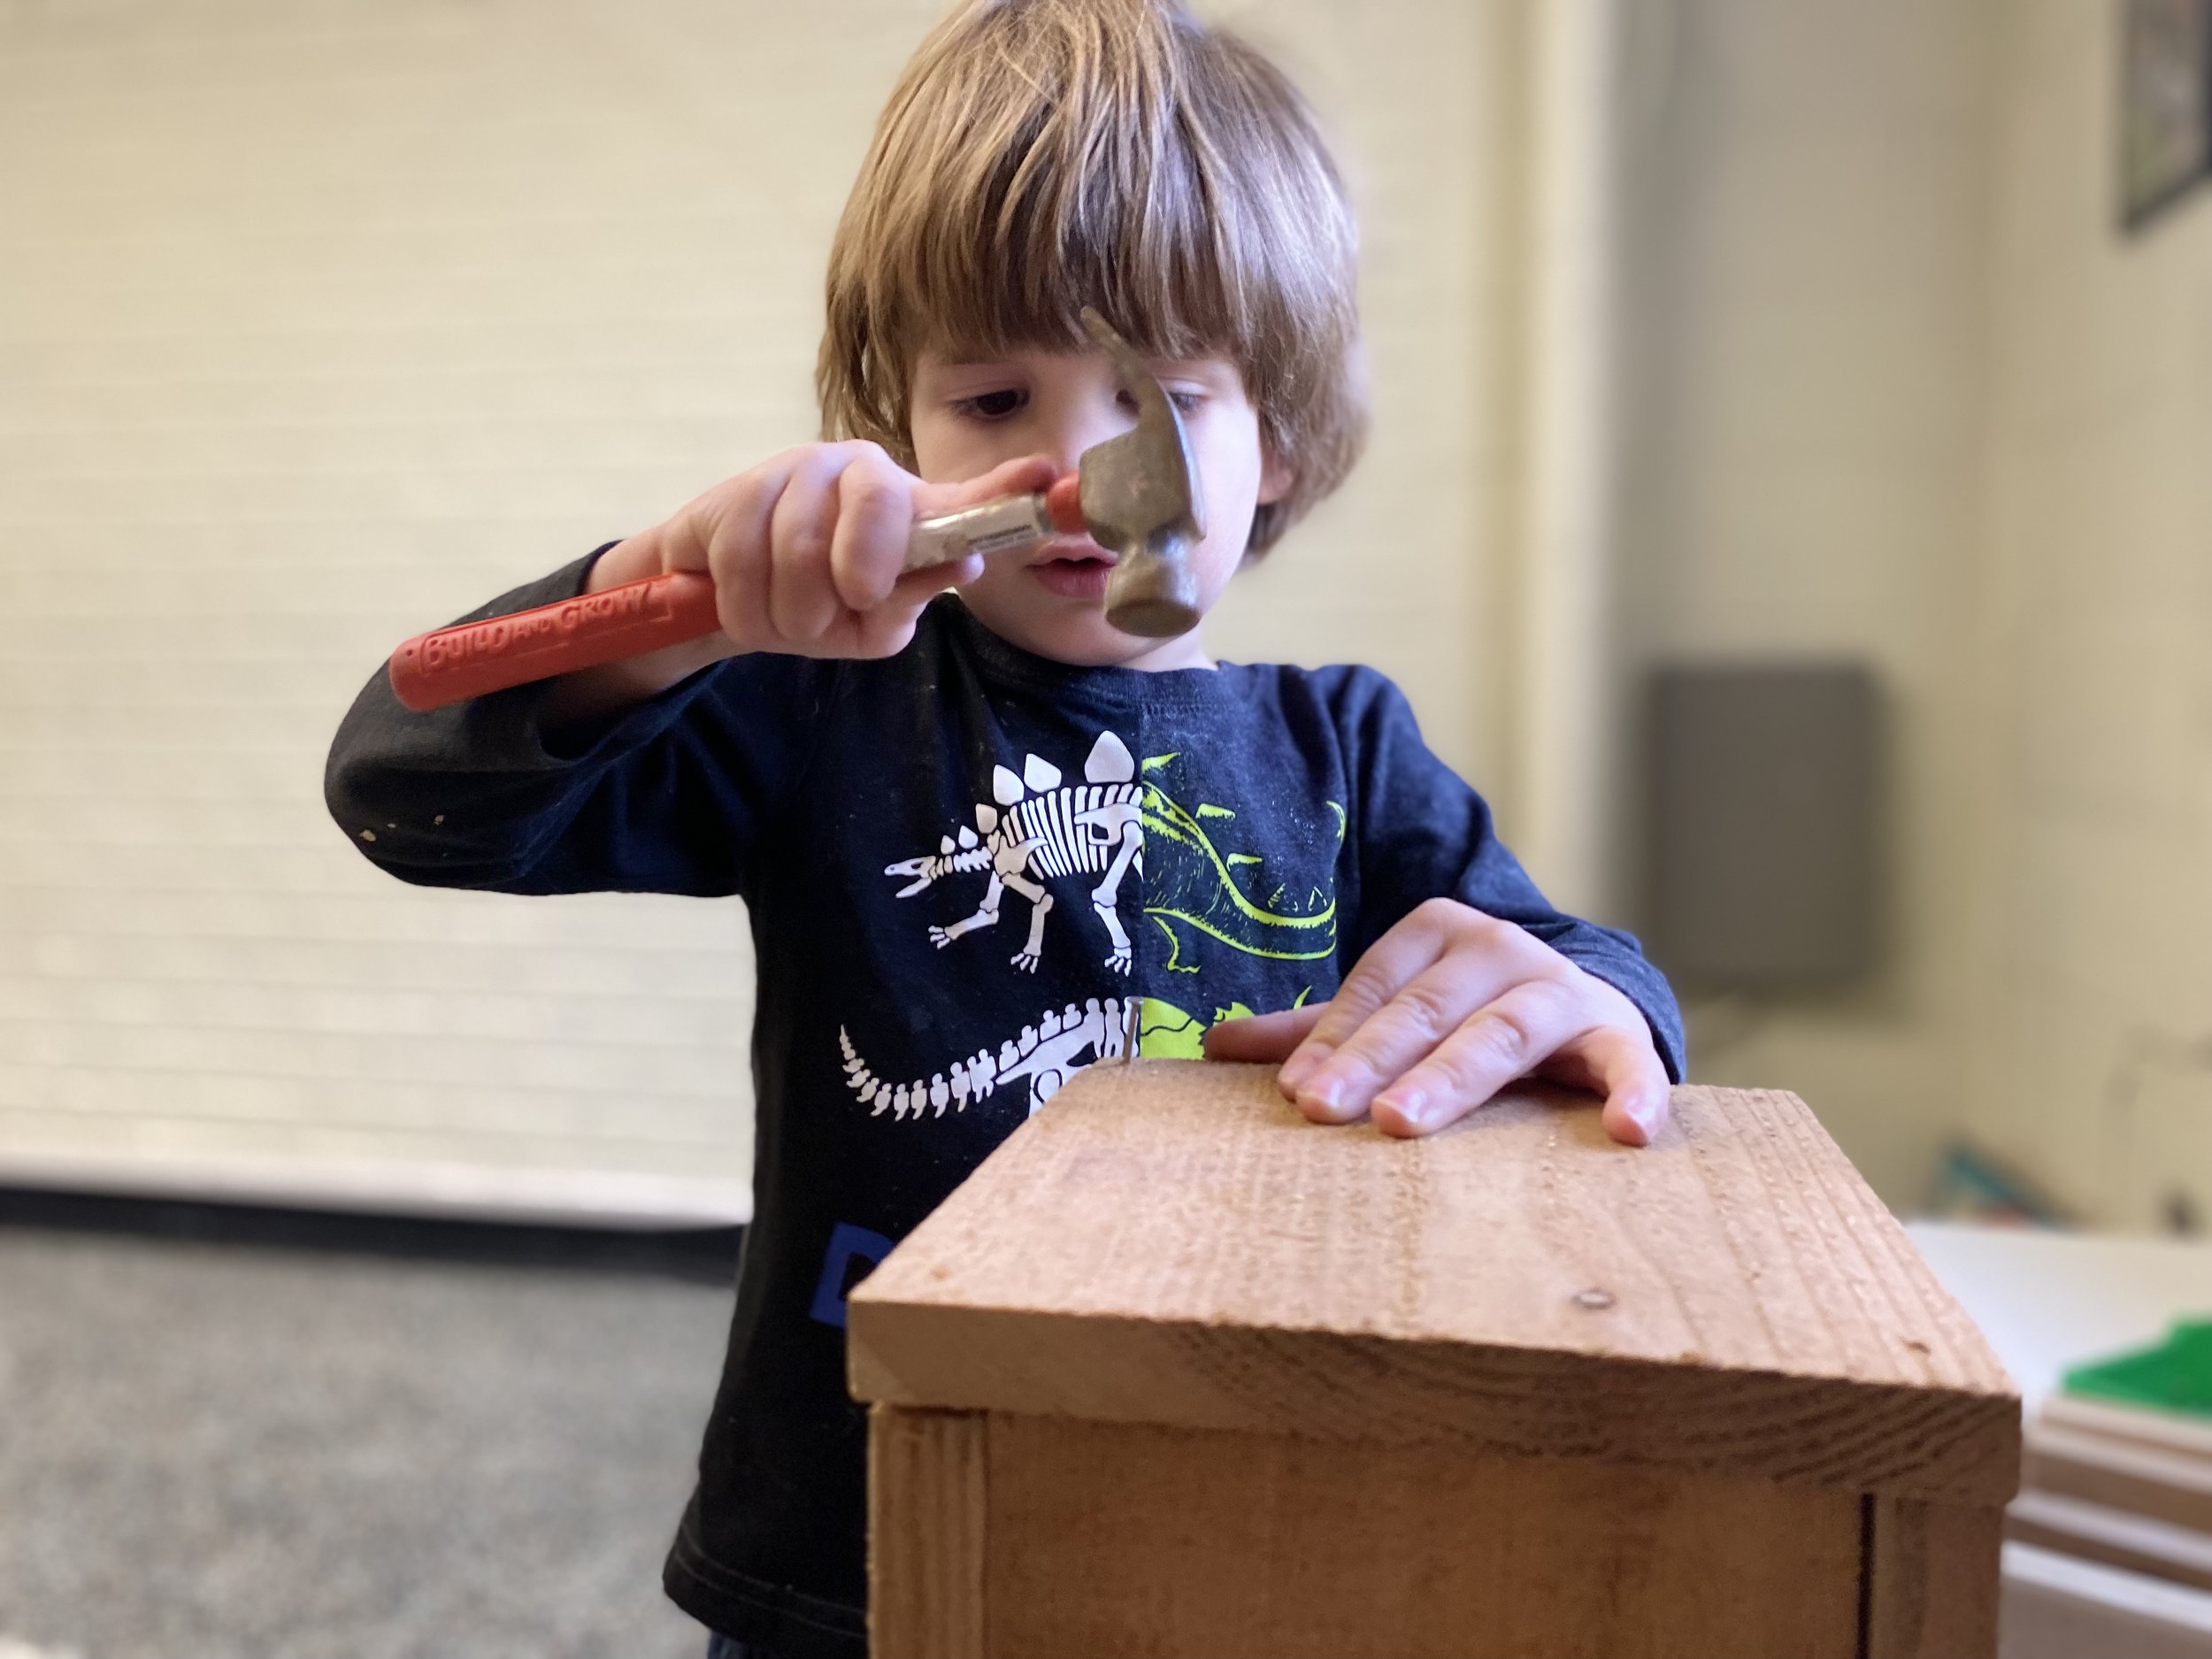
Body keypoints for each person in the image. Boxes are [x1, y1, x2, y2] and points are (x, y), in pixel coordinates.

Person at [326, 1, 1685, 1653]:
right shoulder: (813, 699)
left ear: (1285, 440)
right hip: (853, 1532)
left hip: (1243, 1496)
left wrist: (1602, 997)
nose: (1070, 469)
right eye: (990, 398)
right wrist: (665, 609)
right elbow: (406, 791)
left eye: (1164, 394)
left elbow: (1556, 968)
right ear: (899, 435)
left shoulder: (1346, 743)